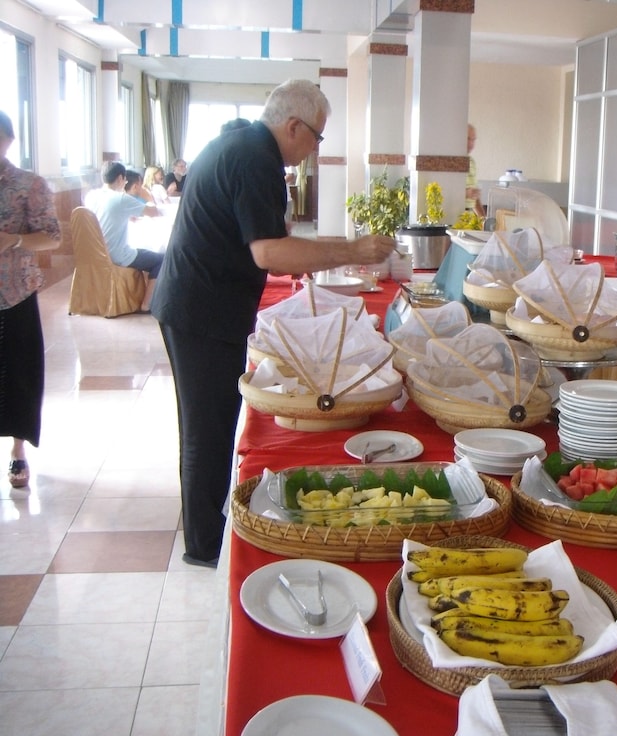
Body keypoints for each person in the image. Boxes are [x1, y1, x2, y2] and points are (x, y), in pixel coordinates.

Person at [150, 79, 395, 567]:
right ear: (293, 126)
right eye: (317, 137)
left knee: (209, 425)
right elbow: (270, 253)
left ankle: (207, 533)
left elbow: (264, 235)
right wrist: (353, 250)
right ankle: (203, 546)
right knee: (206, 430)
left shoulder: (244, 144)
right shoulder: (256, 157)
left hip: (197, 302)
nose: (315, 149)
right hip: (201, 310)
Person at [0, 111, 61, 489]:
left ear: (8, 141)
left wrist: (14, 239)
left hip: (14, 293)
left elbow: (52, 236)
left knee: (19, 374)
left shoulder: (28, 184)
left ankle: (18, 449)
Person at [84, 161, 163, 311]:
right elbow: (153, 212)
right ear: (120, 178)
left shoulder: (91, 196)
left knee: (146, 254)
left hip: (94, 252)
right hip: (116, 254)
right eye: (125, 180)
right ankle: (147, 304)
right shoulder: (120, 198)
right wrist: (146, 195)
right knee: (161, 260)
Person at [466, 124, 484, 218]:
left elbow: (475, 197)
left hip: (469, 215)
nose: (471, 143)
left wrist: (483, 219)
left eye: (473, 140)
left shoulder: (472, 162)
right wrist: (466, 193)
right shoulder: (451, 161)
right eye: (468, 139)